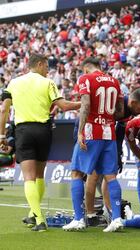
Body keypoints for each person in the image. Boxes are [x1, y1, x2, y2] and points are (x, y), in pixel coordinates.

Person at [0, 53, 81, 232]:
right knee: (39, 176)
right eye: (46, 67)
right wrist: (84, 103)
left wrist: (1, 136)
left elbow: (4, 108)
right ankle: (32, 213)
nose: (47, 70)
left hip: (23, 131)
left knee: (28, 177)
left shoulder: (14, 82)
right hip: (44, 131)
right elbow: (65, 106)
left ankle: (39, 220)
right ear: (38, 64)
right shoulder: (48, 83)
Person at [62, 57, 123, 232]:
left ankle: (79, 219)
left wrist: (81, 131)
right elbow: (119, 110)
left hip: (91, 131)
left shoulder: (85, 79)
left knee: (76, 172)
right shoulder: (114, 81)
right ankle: (117, 218)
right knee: (111, 176)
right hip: (109, 132)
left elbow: (86, 105)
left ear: (85, 68)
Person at [85, 88, 140, 220]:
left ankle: (109, 211)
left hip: (108, 141)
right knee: (92, 176)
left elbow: (120, 133)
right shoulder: (116, 103)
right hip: (93, 136)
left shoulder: (129, 112)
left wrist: (118, 154)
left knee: (109, 175)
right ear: (133, 102)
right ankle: (89, 214)